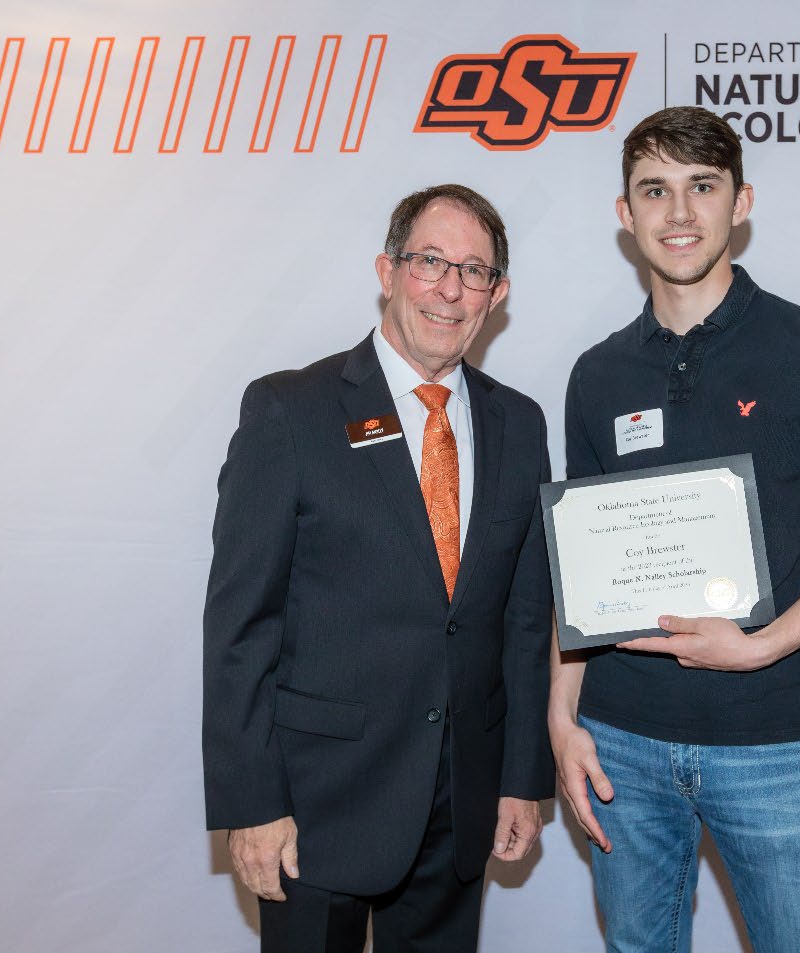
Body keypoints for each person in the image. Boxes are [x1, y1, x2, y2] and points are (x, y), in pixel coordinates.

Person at [549, 106, 800, 953]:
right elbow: (580, 571)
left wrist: (761, 644)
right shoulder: (596, 374)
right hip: (621, 745)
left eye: (701, 187)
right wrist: (563, 720)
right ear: (625, 213)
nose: (679, 213)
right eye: (655, 190)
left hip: (773, 743)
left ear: (740, 202)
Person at [203, 184, 555, 953]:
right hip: (318, 804)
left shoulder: (520, 424)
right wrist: (251, 801)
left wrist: (523, 776)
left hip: (461, 804)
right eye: (430, 261)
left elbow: (527, 621)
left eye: (474, 269)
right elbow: (240, 625)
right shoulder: (289, 411)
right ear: (388, 271)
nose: (449, 288)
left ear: (497, 294)